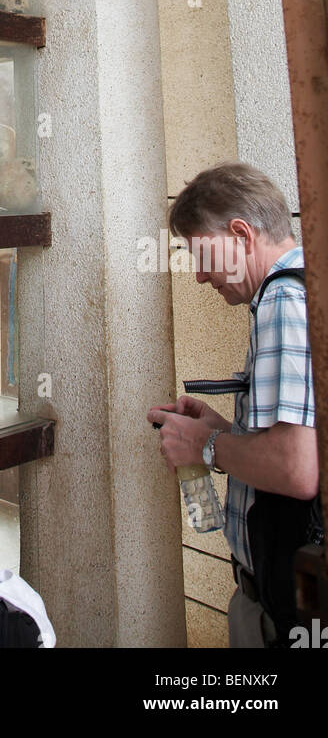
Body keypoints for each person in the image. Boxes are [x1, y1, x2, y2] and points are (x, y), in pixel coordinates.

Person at [148, 161, 320, 648]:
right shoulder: (304, 286)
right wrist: (227, 430)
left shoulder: (284, 300)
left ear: (242, 233)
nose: (200, 276)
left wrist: (205, 445)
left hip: (291, 608)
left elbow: (296, 469)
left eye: (201, 254)